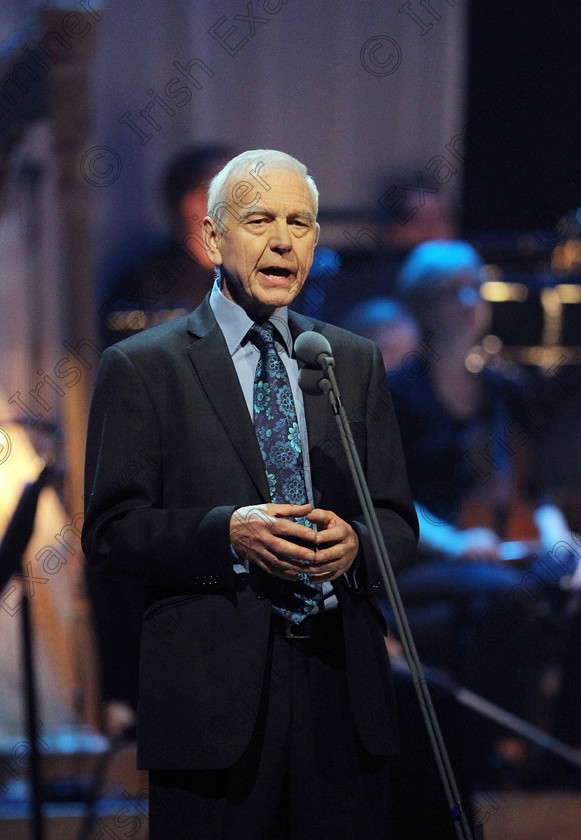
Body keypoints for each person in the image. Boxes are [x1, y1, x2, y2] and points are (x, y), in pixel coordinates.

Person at [82, 149, 418, 839]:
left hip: (339, 697)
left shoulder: (347, 359)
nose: (282, 240)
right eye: (260, 219)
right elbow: (111, 535)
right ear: (211, 238)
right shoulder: (144, 368)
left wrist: (358, 543)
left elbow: (395, 522)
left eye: (300, 222)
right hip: (212, 709)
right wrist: (226, 533)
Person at [388, 239, 572, 783]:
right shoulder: (397, 393)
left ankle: (560, 757)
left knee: (573, 590)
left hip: (503, 552)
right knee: (508, 595)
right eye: (455, 291)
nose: (472, 301)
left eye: (477, 287)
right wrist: (454, 542)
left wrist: (557, 537)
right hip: (424, 561)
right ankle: (498, 753)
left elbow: (534, 491)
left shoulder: (506, 390)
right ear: (423, 307)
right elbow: (385, 495)